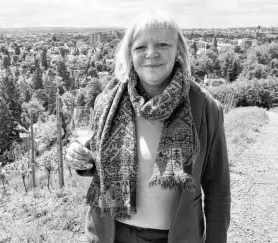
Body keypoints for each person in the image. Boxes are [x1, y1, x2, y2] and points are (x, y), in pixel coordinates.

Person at [65, 10, 230, 243]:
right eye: (140, 47)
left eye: (162, 44)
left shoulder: (204, 107)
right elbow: (96, 159)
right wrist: (79, 158)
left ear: (179, 50)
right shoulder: (108, 101)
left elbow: (218, 190)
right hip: (110, 235)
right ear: (129, 54)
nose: (151, 54)